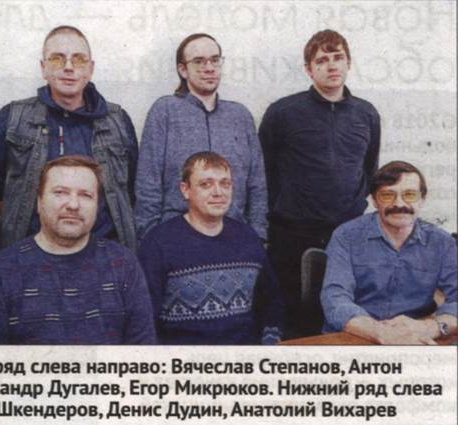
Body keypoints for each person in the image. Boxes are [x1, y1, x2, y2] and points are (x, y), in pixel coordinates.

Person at [258, 29, 381, 336]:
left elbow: (369, 169)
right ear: (308, 69)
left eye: (337, 57)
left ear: (348, 62)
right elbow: (264, 170)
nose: (331, 65)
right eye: (321, 60)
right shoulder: (283, 112)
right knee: (295, 320)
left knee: (343, 315)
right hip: (292, 234)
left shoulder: (366, 113)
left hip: (347, 232)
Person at [0, 155, 155, 344]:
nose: (73, 205)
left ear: (98, 206)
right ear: (39, 201)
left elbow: (142, 352)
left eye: (85, 195)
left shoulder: (123, 264)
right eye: (60, 192)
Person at [0, 25, 139, 250]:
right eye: (57, 59)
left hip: (104, 251)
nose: (68, 67)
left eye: (79, 59)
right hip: (30, 252)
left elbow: (132, 191)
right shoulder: (12, 118)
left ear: (91, 69)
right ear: (43, 68)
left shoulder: (118, 120)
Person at [138, 152, 282, 344]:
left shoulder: (248, 238)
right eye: (206, 184)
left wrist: (270, 343)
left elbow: (272, 303)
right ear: (185, 190)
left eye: (225, 184)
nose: (218, 192)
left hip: (244, 357)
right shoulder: (158, 244)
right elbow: (143, 322)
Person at [135, 33, 267, 242]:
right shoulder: (165, 111)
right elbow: (148, 182)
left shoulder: (240, 116)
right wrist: (151, 238)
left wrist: (257, 235)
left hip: (234, 235)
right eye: (199, 61)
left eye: (215, 60)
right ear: (183, 70)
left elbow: (257, 183)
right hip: (176, 237)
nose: (209, 68)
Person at [321, 161, 457, 344]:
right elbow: (335, 298)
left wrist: (431, 327)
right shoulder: (346, 236)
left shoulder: (442, 242)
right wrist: (380, 332)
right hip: (356, 335)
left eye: (409, 195)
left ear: (422, 200)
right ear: (375, 201)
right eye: (387, 195)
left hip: (417, 335)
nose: (399, 203)